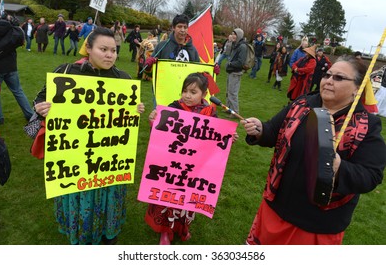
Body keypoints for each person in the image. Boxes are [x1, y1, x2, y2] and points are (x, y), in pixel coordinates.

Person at [241, 54, 386, 245]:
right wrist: (260, 130)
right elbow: (274, 131)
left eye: (339, 78)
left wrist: (338, 166)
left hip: (317, 225)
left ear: (357, 89)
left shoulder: (366, 125)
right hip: (276, 206)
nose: (328, 81)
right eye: (327, 75)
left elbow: (371, 175)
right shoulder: (303, 103)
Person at [32, 27, 145, 245]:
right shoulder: (66, 72)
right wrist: (41, 108)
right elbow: (39, 98)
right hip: (75, 160)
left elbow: (125, 125)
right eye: (103, 49)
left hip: (109, 161)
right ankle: (80, 233)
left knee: (108, 198)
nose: (109, 55)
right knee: (79, 198)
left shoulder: (124, 79)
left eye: (113, 50)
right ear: (89, 49)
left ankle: (107, 233)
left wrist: (135, 110)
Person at [145, 72, 237, 245]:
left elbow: (215, 138)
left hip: (195, 167)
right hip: (172, 164)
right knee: (168, 199)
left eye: (193, 92)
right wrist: (153, 121)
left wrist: (227, 137)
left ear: (203, 94)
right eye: (185, 91)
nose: (187, 95)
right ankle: (165, 231)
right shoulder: (174, 107)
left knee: (187, 199)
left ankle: (182, 228)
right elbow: (160, 133)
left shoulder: (210, 112)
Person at [0, 6, 34, 125]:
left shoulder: (9, 26)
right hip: (11, 65)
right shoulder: (10, 26)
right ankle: (30, 115)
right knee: (18, 91)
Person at [225, 28, 247, 118]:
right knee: (229, 91)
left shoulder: (242, 46)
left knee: (233, 93)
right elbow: (227, 53)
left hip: (235, 72)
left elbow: (241, 62)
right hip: (231, 71)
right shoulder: (236, 44)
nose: (233, 36)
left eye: (235, 34)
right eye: (232, 34)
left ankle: (235, 112)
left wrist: (230, 63)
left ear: (239, 35)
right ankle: (229, 109)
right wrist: (229, 42)